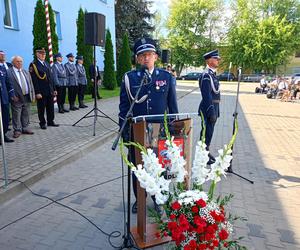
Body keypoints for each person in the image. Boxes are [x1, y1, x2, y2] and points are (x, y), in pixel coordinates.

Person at [118, 37, 178, 214]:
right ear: (137, 59)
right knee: (138, 167)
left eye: (149, 54)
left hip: (158, 131)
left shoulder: (166, 78)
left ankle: (158, 198)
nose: (146, 58)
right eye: (142, 55)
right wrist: (124, 130)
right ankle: (140, 199)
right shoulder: (130, 78)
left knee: (158, 167)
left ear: (156, 57)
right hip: (137, 130)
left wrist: (172, 132)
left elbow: (173, 108)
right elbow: (123, 106)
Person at [198, 49, 221, 165]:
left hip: (214, 107)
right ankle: (202, 154)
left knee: (210, 132)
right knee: (206, 132)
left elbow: (215, 94)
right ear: (209, 60)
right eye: (216, 58)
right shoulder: (206, 76)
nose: (218, 60)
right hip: (208, 108)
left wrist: (217, 110)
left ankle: (205, 152)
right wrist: (211, 111)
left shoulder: (212, 75)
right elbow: (206, 95)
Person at [29, 47, 59, 129]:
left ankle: (50, 121)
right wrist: (37, 92)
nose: (43, 55)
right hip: (41, 91)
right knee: (41, 108)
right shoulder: (34, 65)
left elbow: (51, 78)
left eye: (44, 54)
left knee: (50, 107)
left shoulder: (47, 63)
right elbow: (34, 80)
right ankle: (42, 122)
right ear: (37, 54)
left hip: (49, 89)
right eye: (41, 54)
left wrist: (54, 89)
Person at [7, 56, 35, 138]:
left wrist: (32, 94)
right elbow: (7, 85)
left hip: (26, 96)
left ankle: (25, 128)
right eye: (17, 61)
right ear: (13, 63)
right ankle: (17, 130)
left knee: (26, 113)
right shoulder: (9, 72)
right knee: (16, 114)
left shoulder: (25, 72)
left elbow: (30, 84)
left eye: (21, 61)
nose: (20, 63)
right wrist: (11, 95)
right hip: (16, 97)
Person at [0, 59, 15, 143]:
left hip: (4, 97)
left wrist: (11, 94)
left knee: (5, 118)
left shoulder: (3, 68)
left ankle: (3, 135)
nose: (3, 56)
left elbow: (8, 83)